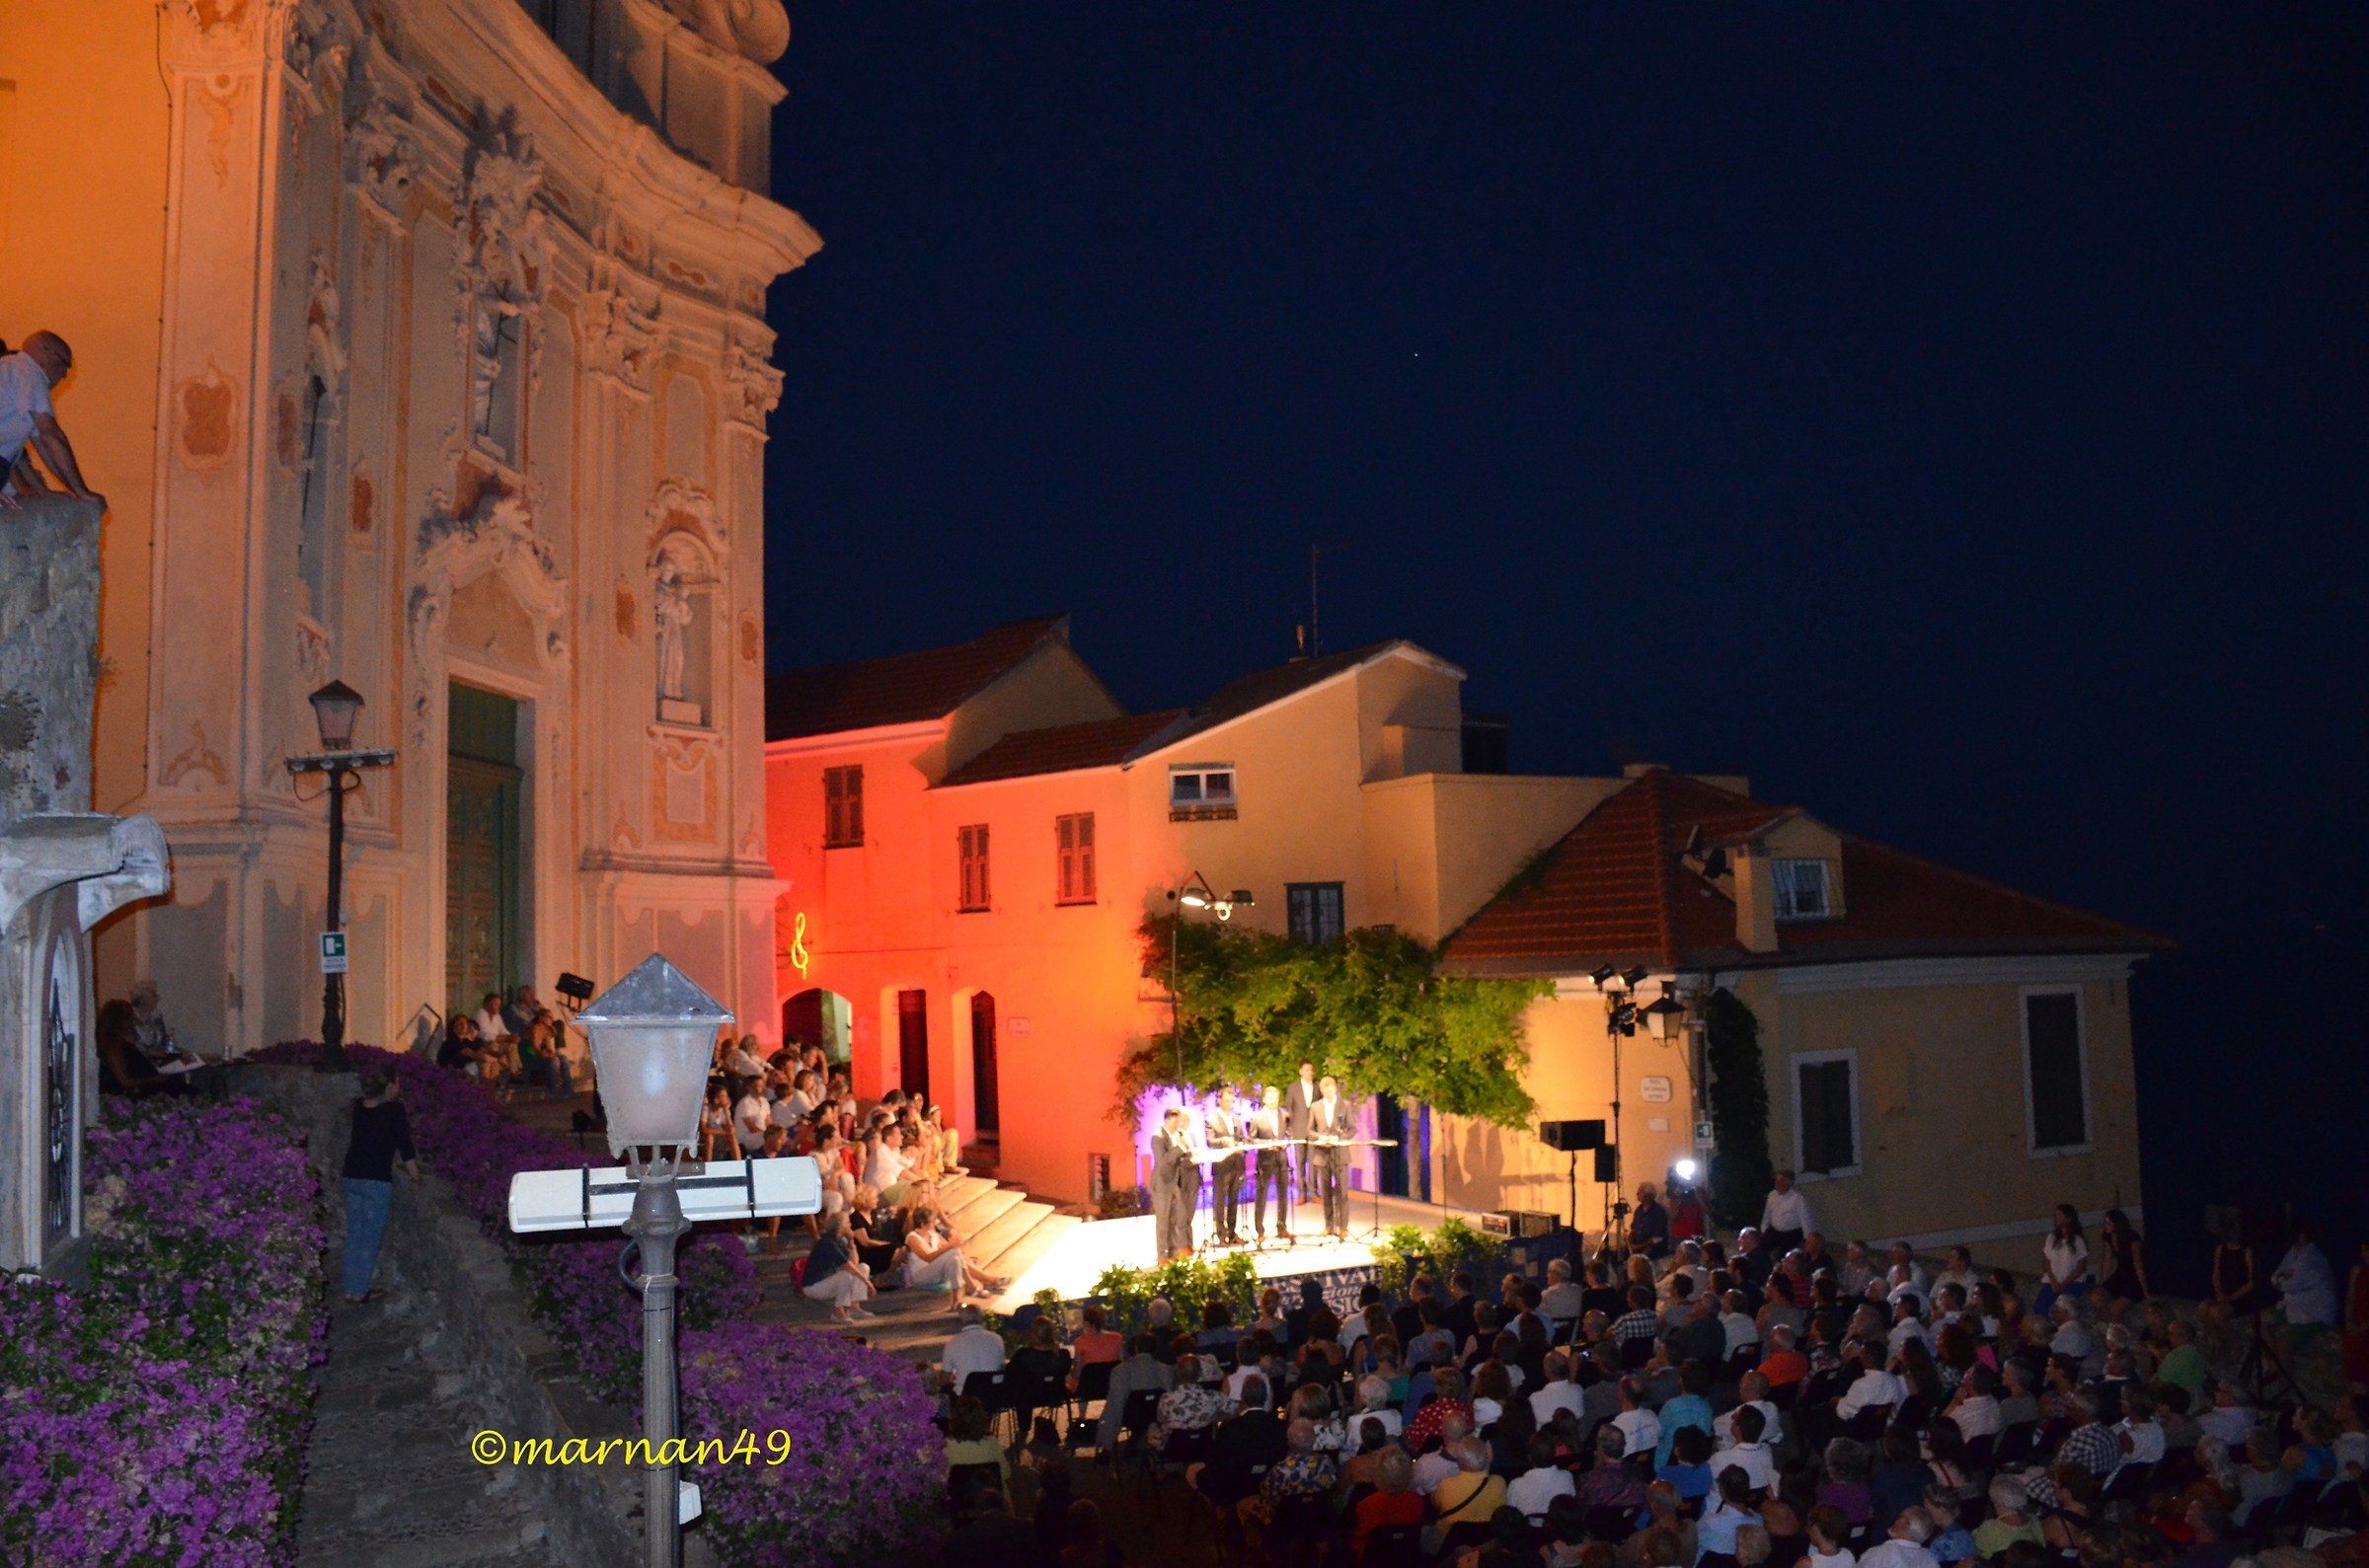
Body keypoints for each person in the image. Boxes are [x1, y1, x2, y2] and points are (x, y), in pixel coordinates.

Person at [341, 1070, 420, 1304]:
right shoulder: (394, 1111)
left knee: (355, 1234)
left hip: (351, 1175)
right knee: (370, 1237)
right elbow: (404, 1145)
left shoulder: (359, 1108)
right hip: (376, 1179)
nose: (399, 1087)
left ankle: (350, 1288)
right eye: (396, 1083)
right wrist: (415, 1176)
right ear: (388, 1087)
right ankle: (359, 1292)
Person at [0, 332, 101, 506]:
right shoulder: (29, 371)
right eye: (64, 365)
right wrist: (82, 492)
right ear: (44, 351)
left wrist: (74, 489)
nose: (63, 376)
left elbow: (43, 444)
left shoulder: (10, 369)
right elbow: (51, 435)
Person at [802, 1212, 874, 1320]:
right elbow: (846, 1264)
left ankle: (853, 1306)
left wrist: (851, 1242)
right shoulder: (828, 1242)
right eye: (848, 1223)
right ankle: (838, 1311)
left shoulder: (840, 1240)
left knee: (863, 1267)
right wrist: (866, 1281)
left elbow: (854, 1263)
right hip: (815, 1285)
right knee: (845, 1276)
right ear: (841, 1225)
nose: (850, 1225)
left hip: (829, 1280)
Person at [1309, 1075, 1355, 1239]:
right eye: (1324, 1090)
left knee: (1342, 1192)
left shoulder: (1345, 1105)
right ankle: (1329, 1225)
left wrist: (1338, 1139)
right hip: (1322, 1154)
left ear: (1335, 1089)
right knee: (1326, 1191)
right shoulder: (1315, 1107)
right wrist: (1320, 1138)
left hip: (1340, 1154)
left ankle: (1343, 1226)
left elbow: (1352, 1129)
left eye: (1331, 1089)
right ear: (1321, 1091)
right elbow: (1309, 1130)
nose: (1328, 1093)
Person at [1151, 1105, 1200, 1262]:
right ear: (1169, 1119)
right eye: (1177, 1121)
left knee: (1176, 1218)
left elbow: (1179, 1156)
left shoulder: (1177, 1135)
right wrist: (1180, 1148)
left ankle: (1173, 1251)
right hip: (1162, 1184)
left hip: (1175, 1183)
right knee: (1163, 1221)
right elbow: (1164, 1160)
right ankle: (1162, 1255)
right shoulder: (1157, 1137)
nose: (1179, 1125)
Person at [2271, 1221, 2338, 1330]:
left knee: (2283, 1343)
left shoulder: (2312, 1258)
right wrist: (2282, 1279)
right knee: (2263, 1321)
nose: (2301, 1236)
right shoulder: (2292, 1253)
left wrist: (2282, 1280)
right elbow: (2276, 1275)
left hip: (2313, 1313)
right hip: (2294, 1306)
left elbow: (2291, 1285)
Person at [1248, 1084, 1292, 1242]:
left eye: (1276, 1098)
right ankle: (1260, 1230)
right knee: (1262, 1195)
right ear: (1265, 1099)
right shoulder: (1257, 1117)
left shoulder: (1284, 1115)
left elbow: (1289, 1134)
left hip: (1281, 1158)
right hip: (1265, 1160)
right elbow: (1252, 1139)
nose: (1274, 1101)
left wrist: (1286, 1142)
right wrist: (1267, 1144)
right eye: (1271, 1097)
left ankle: (1282, 1227)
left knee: (1283, 1193)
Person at [1206, 1084, 1248, 1246]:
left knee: (1233, 1200)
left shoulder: (1236, 1119)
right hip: (1222, 1166)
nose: (1229, 1104)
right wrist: (1225, 1141)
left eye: (1231, 1101)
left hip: (1236, 1163)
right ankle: (1221, 1234)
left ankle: (1232, 1233)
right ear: (1219, 1100)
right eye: (1226, 1100)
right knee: (1220, 1202)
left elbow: (1243, 1138)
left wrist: (1241, 1144)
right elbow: (1210, 1141)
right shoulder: (1211, 1120)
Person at [2036, 1205, 2091, 1316]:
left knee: (2063, 1308)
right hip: (2053, 1281)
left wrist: (2065, 1283)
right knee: (2040, 1307)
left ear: (2068, 1218)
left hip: (2072, 1282)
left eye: (2059, 1215)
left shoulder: (2077, 1240)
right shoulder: (2051, 1238)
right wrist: (2053, 1280)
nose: (2056, 1217)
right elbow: (2047, 1261)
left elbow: (2081, 1266)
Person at [1283, 1059, 1321, 1210]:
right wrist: (1290, 1129)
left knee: (1313, 1163)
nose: (1309, 1073)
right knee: (1299, 1163)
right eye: (1306, 1070)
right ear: (1300, 1071)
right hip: (1298, 1130)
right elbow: (1289, 1108)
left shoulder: (1317, 1088)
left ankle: (1313, 1193)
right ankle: (1302, 1193)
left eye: (1311, 1070)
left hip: (1313, 1131)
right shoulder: (1293, 1087)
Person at [1761, 1170, 1812, 1258]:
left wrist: (1808, 1239)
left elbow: (1805, 1219)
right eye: (1776, 1181)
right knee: (1761, 1249)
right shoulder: (1772, 1195)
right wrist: (1764, 1230)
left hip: (1791, 1233)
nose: (1777, 1184)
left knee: (1784, 1255)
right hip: (1775, 1231)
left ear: (1789, 1182)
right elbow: (1767, 1214)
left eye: (1780, 1181)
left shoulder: (1797, 1198)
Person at [1630, 1183, 1670, 1260]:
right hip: (1636, 1245)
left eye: (1640, 1192)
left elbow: (1657, 1237)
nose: (1637, 1194)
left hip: (1652, 1247)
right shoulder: (1639, 1210)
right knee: (1617, 1255)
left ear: (1648, 1195)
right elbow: (1633, 1230)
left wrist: (1639, 1247)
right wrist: (1630, 1244)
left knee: (1643, 1258)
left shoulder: (1659, 1212)